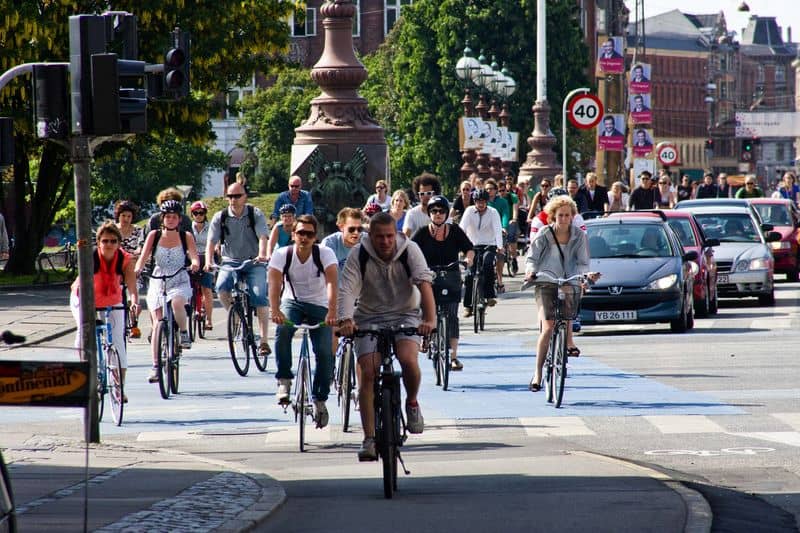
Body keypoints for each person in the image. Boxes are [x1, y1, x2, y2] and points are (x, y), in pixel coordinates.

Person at [337, 212, 435, 461]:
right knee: (368, 372)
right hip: (369, 316)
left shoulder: (410, 250)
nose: (385, 241)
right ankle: (369, 439)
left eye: (390, 236)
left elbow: (424, 284)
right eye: (379, 236)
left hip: (406, 314)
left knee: (407, 358)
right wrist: (346, 320)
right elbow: (347, 290)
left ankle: (412, 403)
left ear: (397, 234)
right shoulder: (358, 254)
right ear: (371, 236)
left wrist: (429, 320)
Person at [523, 195, 600, 392]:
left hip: (568, 282)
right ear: (552, 216)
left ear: (573, 217)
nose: (564, 219)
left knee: (567, 318)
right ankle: (538, 373)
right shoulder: (544, 233)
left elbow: (583, 262)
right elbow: (531, 258)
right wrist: (531, 272)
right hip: (546, 282)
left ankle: (567, 344)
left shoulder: (579, 236)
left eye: (568, 215)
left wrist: (587, 275)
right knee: (548, 327)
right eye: (560, 215)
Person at [268, 215, 338, 427]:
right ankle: (284, 380)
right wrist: (275, 310)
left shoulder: (325, 253)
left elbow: (333, 283)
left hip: (320, 305)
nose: (304, 238)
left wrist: (332, 311)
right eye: (300, 233)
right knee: (282, 331)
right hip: (293, 302)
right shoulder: (283, 254)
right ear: (293, 235)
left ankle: (320, 400)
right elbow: (274, 282)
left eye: (309, 234)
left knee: (325, 352)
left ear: (315, 237)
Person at [70, 222, 139, 399]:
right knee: (83, 336)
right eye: (105, 241)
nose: (109, 245)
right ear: (99, 242)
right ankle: (87, 377)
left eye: (113, 241)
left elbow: (131, 287)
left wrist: (134, 302)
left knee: (117, 343)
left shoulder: (125, 259)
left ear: (119, 243)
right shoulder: (90, 257)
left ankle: (119, 386)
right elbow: (82, 287)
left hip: (112, 301)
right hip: (84, 298)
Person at [135, 200, 200, 383]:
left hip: (179, 278)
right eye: (167, 217)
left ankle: (184, 333)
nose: (170, 220)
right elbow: (143, 256)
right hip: (158, 280)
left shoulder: (185, 236)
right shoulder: (154, 235)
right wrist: (138, 269)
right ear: (162, 219)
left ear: (179, 219)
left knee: (178, 303)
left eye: (174, 217)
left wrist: (195, 264)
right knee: (157, 324)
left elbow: (194, 255)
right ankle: (156, 366)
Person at [205, 182, 272, 356]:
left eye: (237, 196)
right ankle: (236, 317)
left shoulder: (254, 214)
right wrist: (208, 261)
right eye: (230, 196)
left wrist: (263, 254)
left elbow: (263, 237)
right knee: (221, 287)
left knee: (259, 295)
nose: (233, 200)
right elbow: (211, 242)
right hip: (230, 261)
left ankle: (264, 341)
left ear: (245, 197)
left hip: (254, 261)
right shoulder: (221, 217)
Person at [412, 195, 474, 371]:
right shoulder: (423, 233)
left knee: (452, 316)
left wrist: (468, 260)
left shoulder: (454, 231)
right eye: (434, 211)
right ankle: (426, 334)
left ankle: (453, 357)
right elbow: (410, 250)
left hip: (451, 275)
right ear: (429, 214)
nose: (437, 214)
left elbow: (469, 249)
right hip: (428, 276)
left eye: (441, 211)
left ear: (446, 213)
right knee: (423, 304)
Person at [459, 189, 503, 317]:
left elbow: (497, 230)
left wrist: (499, 247)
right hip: (472, 246)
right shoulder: (469, 211)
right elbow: (461, 229)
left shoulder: (493, 213)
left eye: (483, 201)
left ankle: (489, 296)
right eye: (478, 201)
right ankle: (468, 306)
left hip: (489, 244)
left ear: (487, 202)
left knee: (488, 264)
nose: (481, 204)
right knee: (469, 275)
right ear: (475, 202)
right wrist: (459, 245)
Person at [190, 200, 214, 330]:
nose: (198, 215)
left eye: (201, 213)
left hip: (207, 257)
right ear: (192, 214)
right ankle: (195, 309)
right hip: (192, 258)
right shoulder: (188, 227)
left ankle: (209, 320)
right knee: (190, 287)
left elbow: (215, 240)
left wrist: (215, 250)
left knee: (206, 289)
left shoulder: (211, 227)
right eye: (196, 213)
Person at [321, 207, 364, 273]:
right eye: (351, 229)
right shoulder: (329, 244)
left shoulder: (367, 241)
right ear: (341, 227)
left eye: (359, 229)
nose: (356, 233)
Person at [486, 179, 510, 292]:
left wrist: (504, 227)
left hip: (499, 231)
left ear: (496, 190)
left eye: (491, 189)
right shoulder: (482, 202)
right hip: (485, 233)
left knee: (500, 255)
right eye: (487, 189)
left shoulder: (502, 202)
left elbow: (505, 215)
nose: (489, 191)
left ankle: (500, 279)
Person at [403, 172, 441, 237]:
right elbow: (405, 235)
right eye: (422, 194)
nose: (426, 196)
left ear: (435, 193)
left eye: (429, 193)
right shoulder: (412, 213)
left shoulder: (443, 212)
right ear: (418, 195)